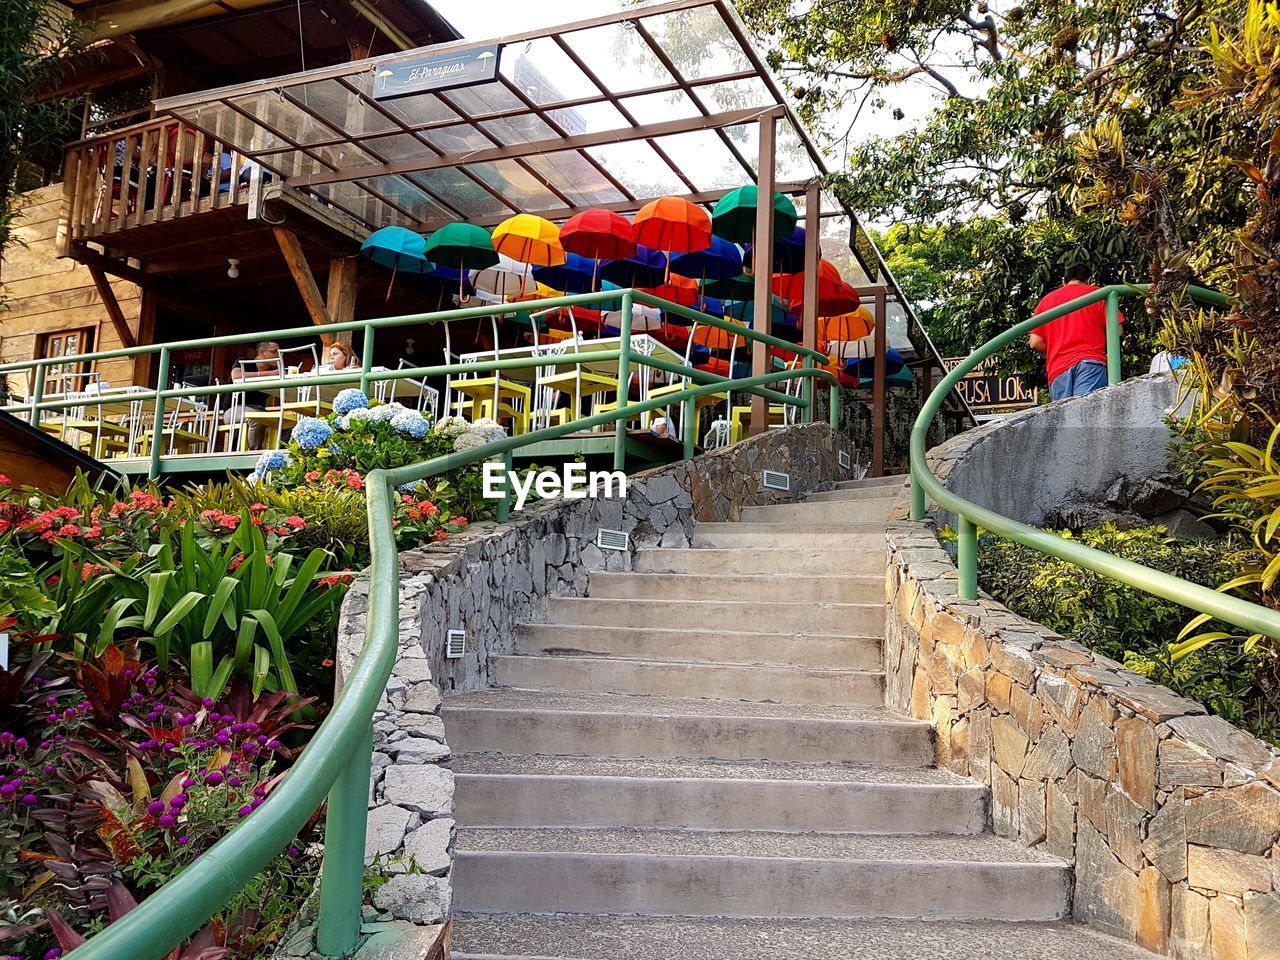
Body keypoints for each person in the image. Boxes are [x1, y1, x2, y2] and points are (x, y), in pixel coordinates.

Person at [1029, 264, 1122, 401]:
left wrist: (1059, 345)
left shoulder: (1047, 300)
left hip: (1058, 369)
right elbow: (1118, 331)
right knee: (1087, 414)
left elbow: (1035, 342)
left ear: (1063, 281)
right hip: (1090, 362)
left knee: (1065, 418)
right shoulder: (1098, 294)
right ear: (1089, 280)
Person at [225, 341, 282, 449]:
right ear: (261, 352)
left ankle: (279, 453)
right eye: (275, 352)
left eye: (280, 353)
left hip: (260, 410)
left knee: (286, 421)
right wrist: (268, 374)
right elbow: (236, 376)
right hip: (233, 410)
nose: (278, 355)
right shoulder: (244, 361)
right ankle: (253, 454)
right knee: (257, 418)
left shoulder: (275, 372)